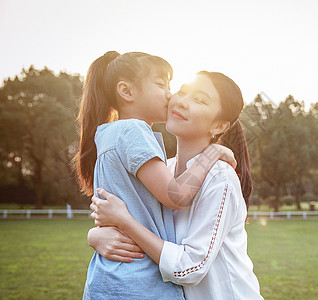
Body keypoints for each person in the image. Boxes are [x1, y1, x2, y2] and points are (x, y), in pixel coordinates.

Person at [74, 52, 236, 300]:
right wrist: (211, 152)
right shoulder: (133, 130)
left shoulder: (112, 134)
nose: (171, 95)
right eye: (161, 85)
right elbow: (176, 195)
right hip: (138, 283)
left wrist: (97, 233)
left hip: (114, 280)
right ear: (126, 92)